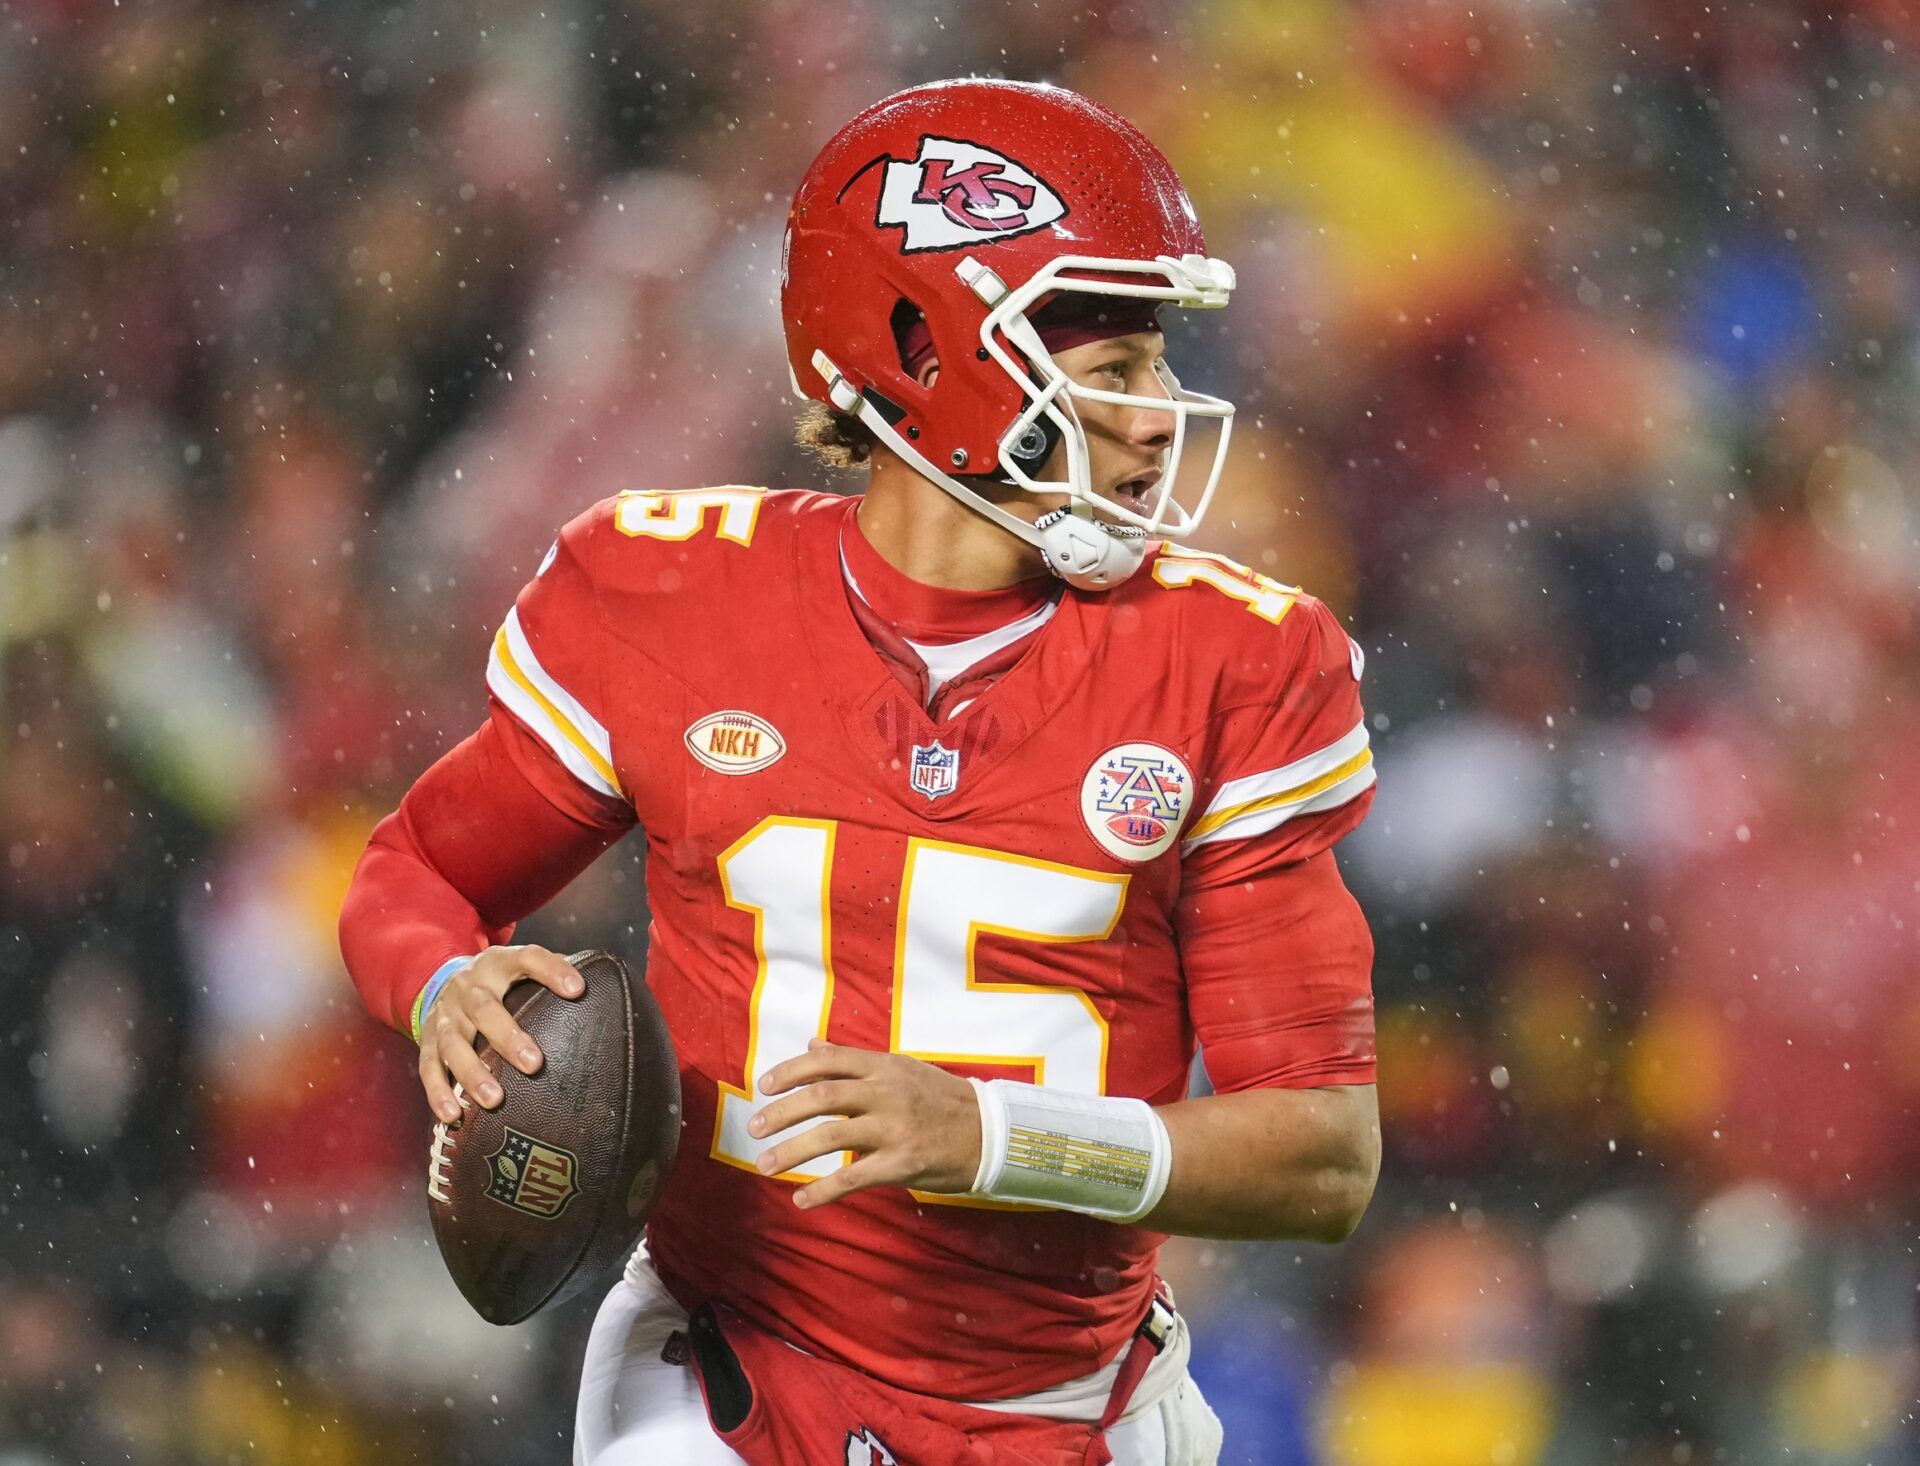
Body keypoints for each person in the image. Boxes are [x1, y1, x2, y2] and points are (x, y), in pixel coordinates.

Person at [339, 78, 1381, 1466]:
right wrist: (440, 986)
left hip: (1070, 1407)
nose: (1158, 415)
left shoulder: (1233, 664)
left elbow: (1323, 1154)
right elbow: (417, 873)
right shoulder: (671, 597)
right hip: (725, 1373)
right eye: (1110, 367)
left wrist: (999, 1135)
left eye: (1159, 364)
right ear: (921, 349)